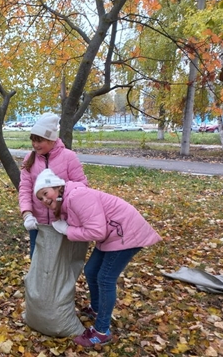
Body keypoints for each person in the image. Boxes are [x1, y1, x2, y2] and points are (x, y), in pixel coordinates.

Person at [33, 168, 162, 347]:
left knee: (105, 278)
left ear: (57, 187)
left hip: (125, 232)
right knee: (91, 270)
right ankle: (96, 308)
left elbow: (96, 230)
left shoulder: (77, 197)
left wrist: (67, 230)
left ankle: (102, 331)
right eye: (40, 198)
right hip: (111, 234)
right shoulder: (67, 200)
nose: (45, 200)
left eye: (45, 193)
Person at [18, 112, 87, 258]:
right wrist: (27, 214)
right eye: (33, 140)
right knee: (37, 260)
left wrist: (66, 215)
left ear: (51, 139)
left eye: (39, 140)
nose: (35, 145)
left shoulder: (69, 157)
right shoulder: (29, 159)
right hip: (38, 224)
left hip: (63, 223)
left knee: (61, 263)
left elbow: (81, 188)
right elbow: (25, 188)